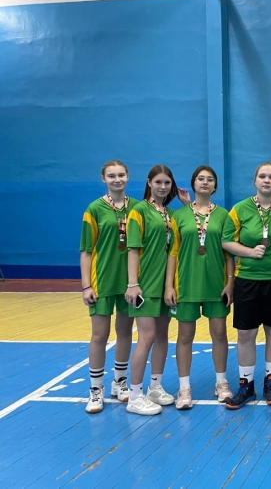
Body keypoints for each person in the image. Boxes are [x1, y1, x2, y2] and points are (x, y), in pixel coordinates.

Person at [223, 162, 271, 409]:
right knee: (246, 334)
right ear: (255, 180)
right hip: (247, 280)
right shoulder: (239, 209)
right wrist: (248, 252)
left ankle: (270, 382)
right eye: (262, 176)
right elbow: (226, 241)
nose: (267, 180)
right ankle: (246, 385)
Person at [164, 166, 235, 410]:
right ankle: (184, 388)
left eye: (210, 179)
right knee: (185, 336)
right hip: (186, 284)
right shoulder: (179, 216)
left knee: (220, 334)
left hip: (216, 285)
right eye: (201, 179)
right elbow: (173, 253)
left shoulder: (224, 215)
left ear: (215, 186)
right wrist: (169, 285)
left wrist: (230, 282)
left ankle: (221, 383)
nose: (205, 182)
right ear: (194, 184)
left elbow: (229, 253)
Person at [123, 165, 189, 415]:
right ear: (149, 183)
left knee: (162, 336)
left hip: (165, 286)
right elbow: (133, 249)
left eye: (167, 183)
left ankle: (155, 387)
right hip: (144, 286)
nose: (163, 186)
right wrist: (133, 283)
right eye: (159, 182)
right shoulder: (139, 211)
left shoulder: (171, 214)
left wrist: (187, 205)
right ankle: (134, 396)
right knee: (147, 337)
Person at [80, 160, 135, 413]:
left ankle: (120, 382)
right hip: (102, 281)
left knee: (125, 332)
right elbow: (86, 250)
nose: (117, 179)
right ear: (104, 179)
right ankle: (95, 389)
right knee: (99, 335)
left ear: (128, 177)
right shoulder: (94, 209)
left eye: (121, 175)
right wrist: (86, 286)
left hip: (129, 282)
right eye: (112, 176)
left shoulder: (137, 208)